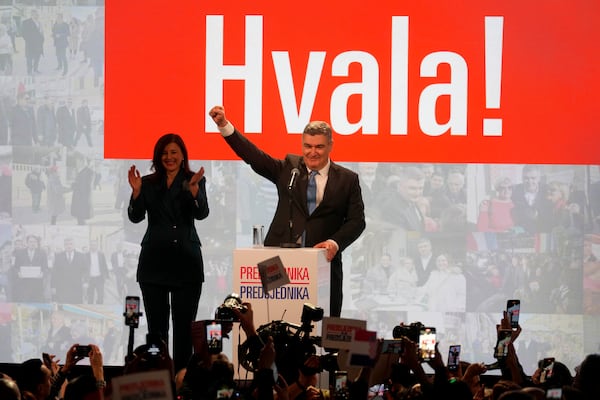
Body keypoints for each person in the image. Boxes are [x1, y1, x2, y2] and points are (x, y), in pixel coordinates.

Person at [209, 105, 366, 317]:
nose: (312, 152)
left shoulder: (348, 179)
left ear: (330, 145)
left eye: (319, 146)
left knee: (323, 326)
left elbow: (357, 221)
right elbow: (254, 157)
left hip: (322, 265)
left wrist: (334, 243)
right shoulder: (290, 168)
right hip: (278, 261)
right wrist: (225, 126)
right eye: (307, 146)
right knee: (272, 318)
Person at [127, 133, 209, 373]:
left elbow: (202, 213)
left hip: (187, 263)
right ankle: (158, 380)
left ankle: (182, 380)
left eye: (174, 152)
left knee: (184, 329)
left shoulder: (193, 180)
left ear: (183, 155)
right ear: (158, 157)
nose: (169, 157)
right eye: (164, 153)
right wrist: (136, 193)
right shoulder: (148, 182)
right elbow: (135, 217)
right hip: (154, 264)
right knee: (156, 331)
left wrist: (194, 192)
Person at [20, 9, 44, 75]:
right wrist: (29, 40)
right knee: (29, 58)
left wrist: (42, 39)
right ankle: (29, 72)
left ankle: (35, 69)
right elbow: (23, 33)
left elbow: (41, 32)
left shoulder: (39, 23)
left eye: (36, 14)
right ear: (31, 14)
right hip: (30, 44)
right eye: (34, 14)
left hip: (39, 44)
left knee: (37, 58)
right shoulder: (26, 22)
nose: (36, 15)